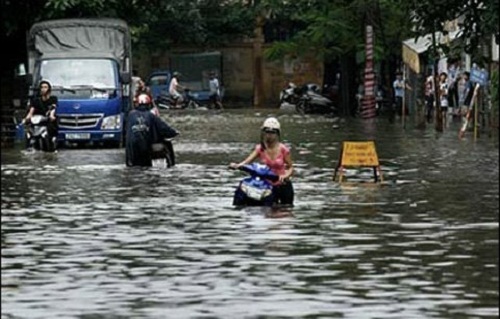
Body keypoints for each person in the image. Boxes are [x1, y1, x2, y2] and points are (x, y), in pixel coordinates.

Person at [229, 117, 294, 206]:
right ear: (263, 133)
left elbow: (290, 167)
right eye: (267, 132)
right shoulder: (260, 148)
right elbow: (247, 161)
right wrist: (237, 165)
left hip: (282, 184)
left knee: (286, 208)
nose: (269, 135)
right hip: (266, 185)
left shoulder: (283, 149)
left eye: (272, 132)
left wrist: (285, 175)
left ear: (277, 134)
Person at [125, 93, 179, 167]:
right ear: (149, 104)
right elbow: (163, 128)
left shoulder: (130, 115)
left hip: (130, 151)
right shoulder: (151, 116)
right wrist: (174, 132)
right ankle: (172, 166)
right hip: (145, 149)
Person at [23, 79, 58, 145]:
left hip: (47, 120)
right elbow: (31, 111)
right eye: (42, 87)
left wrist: (51, 115)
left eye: (45, 87)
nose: (43, 89)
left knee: (52, 128)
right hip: (37, 120)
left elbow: (53, 108)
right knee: (28, 133)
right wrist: (27, 118)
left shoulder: (53, 99)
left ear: (49, 89)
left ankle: (52, 142)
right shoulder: (35, 100)